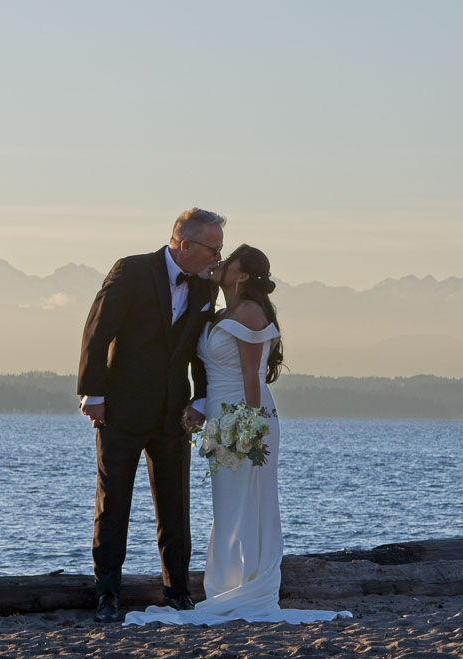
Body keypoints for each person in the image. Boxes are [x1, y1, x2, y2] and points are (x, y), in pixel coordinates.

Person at [124, 245, 352, 626]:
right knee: (227, 506)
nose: (220, 262)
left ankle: (248, 586)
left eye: (227, 260)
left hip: (246, 416)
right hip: (219, 416)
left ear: (242, 275)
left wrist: (251, 429)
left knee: (249, 502)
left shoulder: (249, 312)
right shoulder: (219, 313)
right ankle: (226, 585)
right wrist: (201, 405)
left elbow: (251, 376)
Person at [77, 207, 225, 623]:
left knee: (176, 503)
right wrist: (94, 391)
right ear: (186, 245)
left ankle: (178, 591)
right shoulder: (131, 270)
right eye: (214, 248)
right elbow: (97, 330)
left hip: (173, 412)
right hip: (120, 408)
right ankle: (107, 593)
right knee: (114, 502)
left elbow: (201, 349)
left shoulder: (206, 289)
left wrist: (200, 399)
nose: (219, 256)